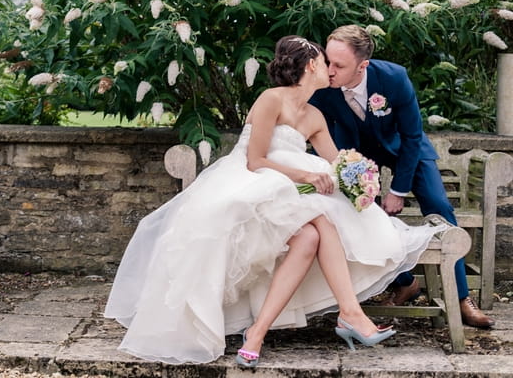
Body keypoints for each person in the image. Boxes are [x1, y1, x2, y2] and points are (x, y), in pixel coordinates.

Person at [103, 35, 443, 367]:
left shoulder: (314, 116)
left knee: (311, 236)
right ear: (312, 65)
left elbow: (335, 162)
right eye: (326, 62)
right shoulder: (271, 99)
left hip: (287, 191)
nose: (331, 68)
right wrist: (306, 176)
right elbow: (255, 160)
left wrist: (357, 178)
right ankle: (350, 313)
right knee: (320, 222)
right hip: (249, 183)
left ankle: (258, 332)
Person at [308, 24, 495, 328]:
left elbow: (411, 136)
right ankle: (405, 282)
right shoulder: (323, 86)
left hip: (407, 151)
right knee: (357, 212)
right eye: (328, 60)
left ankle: (461, 299)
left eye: (339, 65)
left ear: (363, 65)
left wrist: (398, 189)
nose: (329, 70)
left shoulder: (394, 78)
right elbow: (313, 131)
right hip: (354, 156)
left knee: (439, 205)